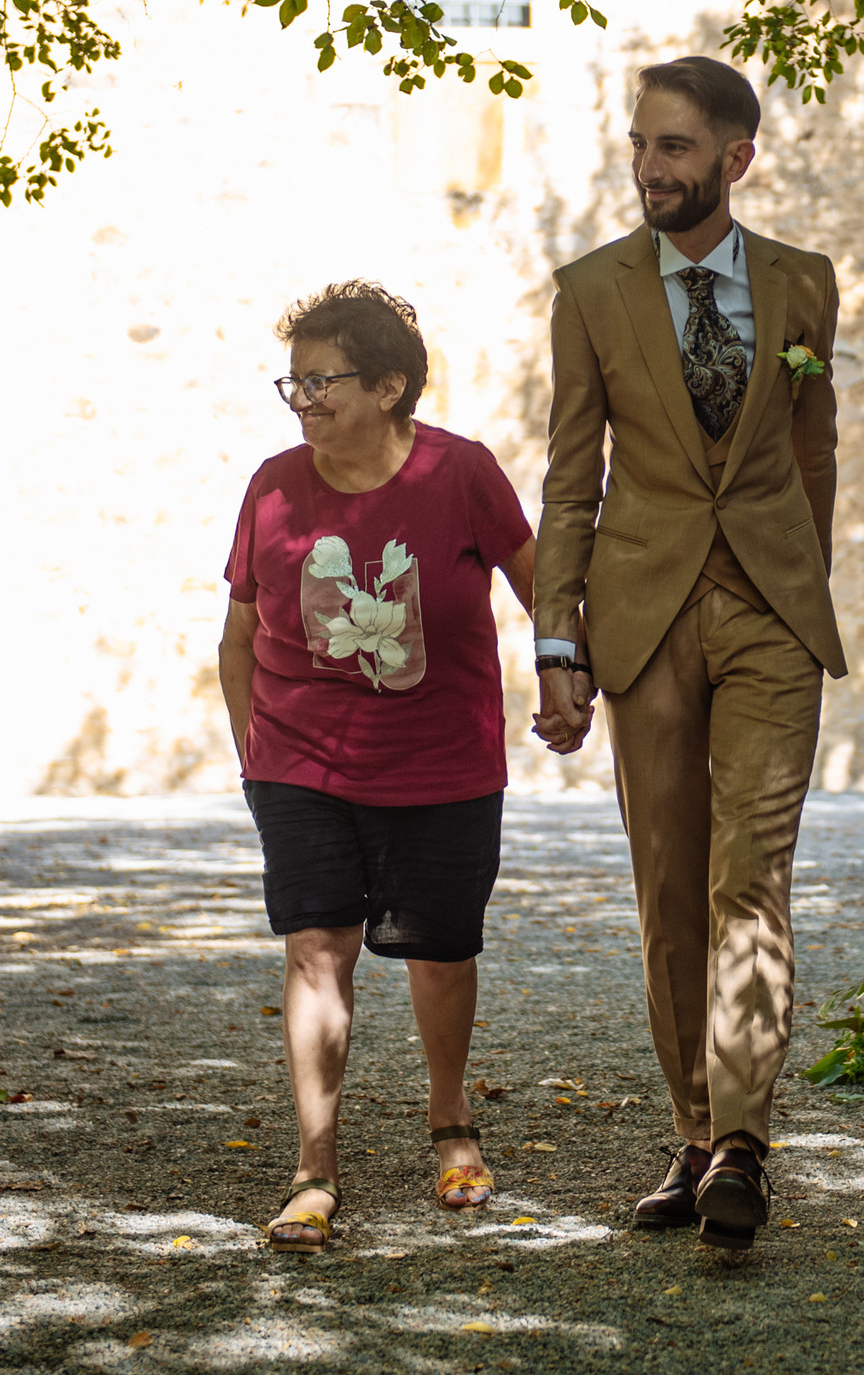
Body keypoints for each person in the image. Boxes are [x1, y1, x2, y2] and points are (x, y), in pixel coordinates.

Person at [532, 56, 843, 1252]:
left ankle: (746, 1148)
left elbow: (814, 448)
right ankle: (696, 1124)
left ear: (735, 158)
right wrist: (559, 639)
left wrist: (801, 583)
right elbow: (572, 477)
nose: (650, 168)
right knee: (669, 889)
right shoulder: (591, 290)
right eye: (639, 146)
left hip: (770, 612)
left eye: (673, 147)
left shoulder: (804, 283)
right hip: (643, 611)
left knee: (749, 875)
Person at [218, 282, 544, 1252]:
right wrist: (258, 759)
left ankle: (451, 1122)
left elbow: (547, 597)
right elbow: (236, 636)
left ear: (391, 384)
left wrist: (570, 680)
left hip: (442, 759)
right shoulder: (273, 485)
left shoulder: (462, 473)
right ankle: (314, 1165)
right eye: (295, 381)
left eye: (323, 380)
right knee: (318, 949)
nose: (302, 399)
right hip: (299, 759)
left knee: (441, 950)